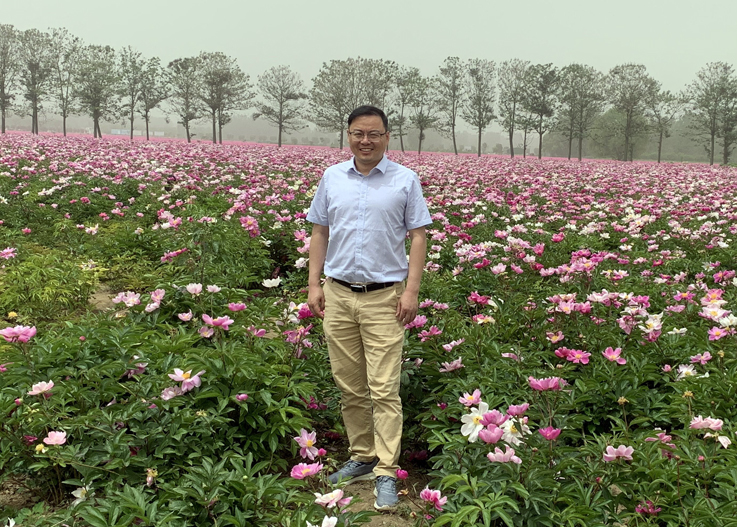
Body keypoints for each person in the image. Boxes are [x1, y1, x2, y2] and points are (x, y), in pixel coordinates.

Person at [306, 105, 432, 511]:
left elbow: (418, 236)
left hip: (384, 298)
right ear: (348, 136)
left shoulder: (404, 180)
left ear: (387, 137)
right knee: (350, 385)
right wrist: (314, 283)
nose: (366, 140)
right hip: (339, 294)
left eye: (374, 134)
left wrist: (411, 291)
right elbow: (320, 231)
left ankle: (386, 471)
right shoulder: (332, 178)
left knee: (384, 388)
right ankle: (361, 456)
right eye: (358, 133)